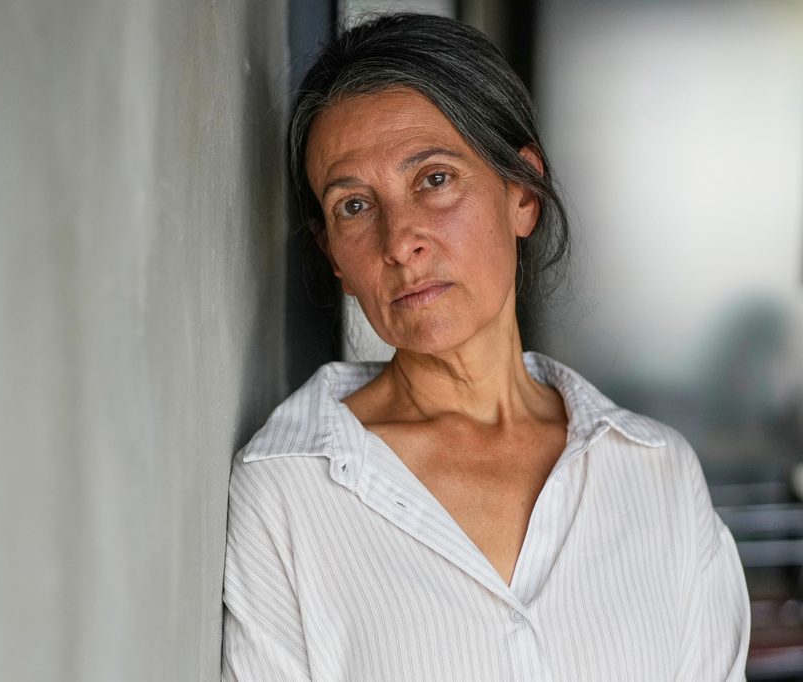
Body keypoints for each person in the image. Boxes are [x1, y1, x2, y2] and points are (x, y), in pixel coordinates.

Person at [222, 12, 749, 681]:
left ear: (522, 193)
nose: (400, 240)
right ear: (333, 255)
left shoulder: (654, 475)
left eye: (434, 179)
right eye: (354, 205)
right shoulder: (289, 489)